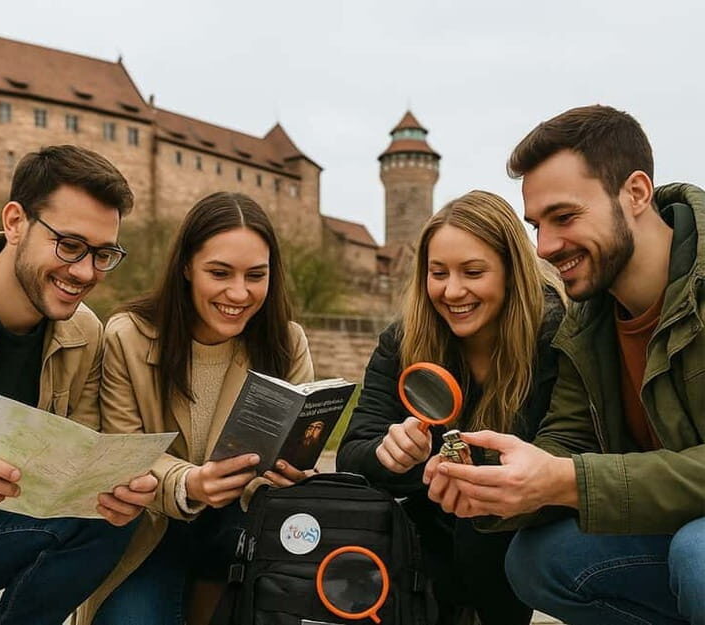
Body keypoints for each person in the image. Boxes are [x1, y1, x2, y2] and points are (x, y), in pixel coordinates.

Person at [428, 105, 705, 625]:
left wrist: (568, 481)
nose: (546, 247)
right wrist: (493, 487)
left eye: (565, 217)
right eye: (536, 225)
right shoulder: (586, 322)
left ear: (637, 193)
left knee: (699, 553)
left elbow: (572, 474)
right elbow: (566, 444)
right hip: (677, 525)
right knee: (540, 560)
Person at [0, 145, 157, 624]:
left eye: (103, 254)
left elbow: (75, 469)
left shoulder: (86, 334)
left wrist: (110, 488)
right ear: (16, 221)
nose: (85, 272)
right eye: (69, 245)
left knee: (108, 519)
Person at [78, 192, 315, 625]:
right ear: (186, 266)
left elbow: (287, 456)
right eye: (219, 273)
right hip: (151, 529)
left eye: (256, 275)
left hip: (246, 527)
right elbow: (122, 451)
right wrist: (190, 483)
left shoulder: (287, 341)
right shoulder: (127, 336)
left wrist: (294, 473)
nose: (239, 293)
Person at [337, 190, 565, 625]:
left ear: (511, 272)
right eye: (437, 272)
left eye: (473, 272)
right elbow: (353, 454)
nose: (452, 290)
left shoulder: (554, 338)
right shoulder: (402, 340)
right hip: (428, 547)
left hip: (522, 534)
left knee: (480, 536)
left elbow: (568, 451)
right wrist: (397, 456)